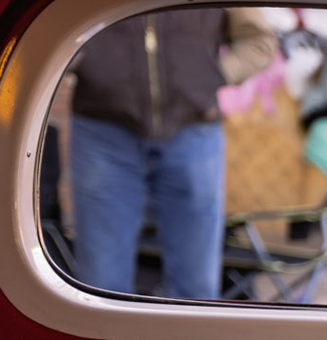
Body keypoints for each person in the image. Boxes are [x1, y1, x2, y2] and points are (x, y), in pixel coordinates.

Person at [68, 9, 276, 299]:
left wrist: (212, 74)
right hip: (104, 131)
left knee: (196, 286)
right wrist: (87, 63)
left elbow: (259, 40)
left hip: (194, 132)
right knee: (101, 282)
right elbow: (39, 31)